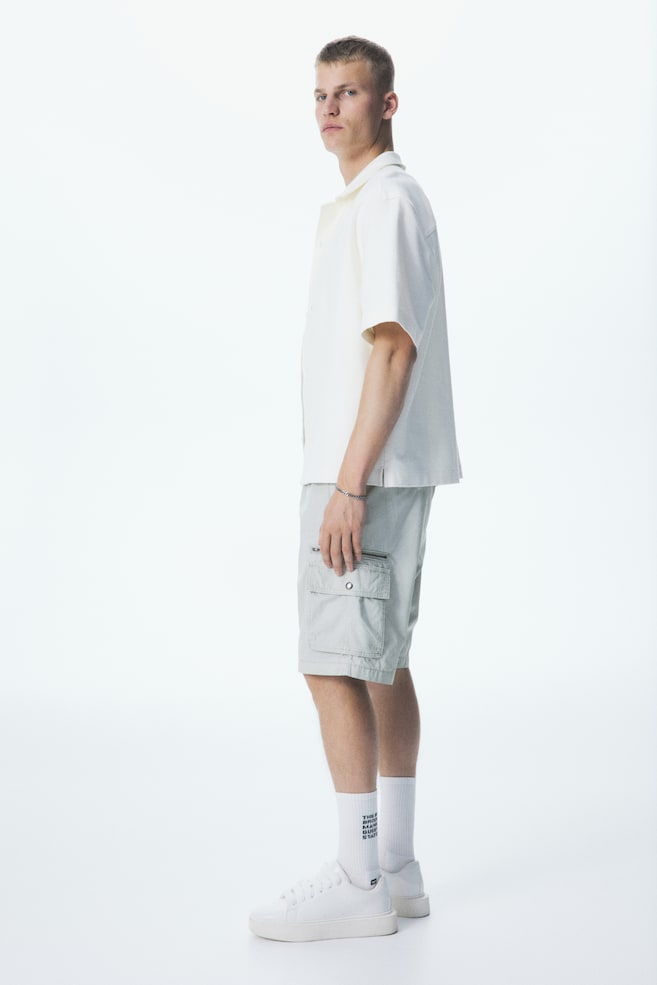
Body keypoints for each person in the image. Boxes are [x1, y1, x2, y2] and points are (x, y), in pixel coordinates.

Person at [249, 36, 461, 943]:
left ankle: (358, 876)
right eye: (320, 94)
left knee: (332, 662)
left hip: (361, 474)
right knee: (377, 662)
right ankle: (395, 865)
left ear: (387, 104)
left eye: (348, 93)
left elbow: (393, 349)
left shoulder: (385, 202)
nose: (329, 108)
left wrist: (347, 483)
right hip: (375, 470)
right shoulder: (369, 203)